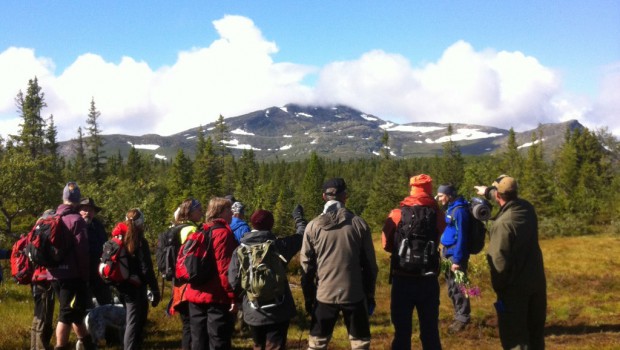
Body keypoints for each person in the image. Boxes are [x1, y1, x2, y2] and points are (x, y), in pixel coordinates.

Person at [300, 178, 378, 350]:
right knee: (360, 344)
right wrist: (369, 295)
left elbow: (306, 266)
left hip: (324, 294)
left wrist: (309, 296)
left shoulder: (313, 227)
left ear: (323, 196)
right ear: (345, 196)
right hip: (355, 293)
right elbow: (370, 266)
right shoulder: (359, 224)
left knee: (317, 344)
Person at [475, 175, 547, 350]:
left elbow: (498, 261)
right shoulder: (527, 209)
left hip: (514, 290)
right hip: (537, 284)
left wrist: (500, 289)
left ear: (499, 196)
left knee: (516, 338)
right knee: (536, 335)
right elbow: (504, 198)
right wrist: (487, 192)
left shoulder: (502, 225)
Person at [228, 206, 307, 350]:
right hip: (279, 308)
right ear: (271, 225)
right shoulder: (279, 245)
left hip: (253, 309)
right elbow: (302, 235)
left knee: (258, 345)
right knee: (275, 346)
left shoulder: (240, 250)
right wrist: (298, 218)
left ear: (252, 224)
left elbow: (233, 282)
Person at [381, 174, 446, 350]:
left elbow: (386, 244)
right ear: (430, 189)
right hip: (428, 279)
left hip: (402, 278)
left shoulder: (397, 214)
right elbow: (440, 238)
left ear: (412, 188)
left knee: (401, 332)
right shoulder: (438, 215)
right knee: (430, 331)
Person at [185, 197, 239, 350]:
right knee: (218, 341)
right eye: (229, 210)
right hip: (216, 297)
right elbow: (225, 269)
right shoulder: (222, 234)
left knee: (198, 341)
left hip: (195, 293)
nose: (232, 214)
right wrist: (233, 297)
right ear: (220, 212)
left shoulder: (201, 230)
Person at [47, 182, 95, 350]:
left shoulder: (51, 218)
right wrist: (85, 277)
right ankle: (60, 346)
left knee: (75, 313)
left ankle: (88, 344)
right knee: (66, 315)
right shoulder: (77, 220)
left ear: (64, 198)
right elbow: (82, 252)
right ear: (77, 201)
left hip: (53, 274)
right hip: (72, 276)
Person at [110, 208, 161, 350]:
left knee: (129, 318)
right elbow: (146, 269)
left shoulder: (118, 237)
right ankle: (130, 346)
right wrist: (155, 289)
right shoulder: (139, 241)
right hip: (135, 286)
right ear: (140, 223)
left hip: (120, 284)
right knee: (133, 320)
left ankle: (129, 344)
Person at [169, 198, 204, 350]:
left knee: (187, 324)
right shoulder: (190, 230)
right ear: (190, 212)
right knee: (191, 325)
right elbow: (190, 259)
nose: (201, 212)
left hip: (178, 282)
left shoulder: (177, 227)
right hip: (187, 284)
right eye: (198, 209)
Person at [437, 184, 472, 333]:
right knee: (452, 286)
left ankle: (462, 318)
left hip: (455, 255)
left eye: (440, 196)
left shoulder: (460, 212)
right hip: (447, 253)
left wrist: (457, 260)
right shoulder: (451, 208)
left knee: (459, 286)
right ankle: (458, 314)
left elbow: (462, 238)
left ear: (449, 195)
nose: (439, 199)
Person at [79, 197, 113, 307]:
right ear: (79, 211)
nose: (87, 212)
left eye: (90, 210)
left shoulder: (98, 226)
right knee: (84, 304)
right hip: (81, 273)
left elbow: (106, 246)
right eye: (84, 209)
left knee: (106, 301)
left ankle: (109, 323)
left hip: (99, 271)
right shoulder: (75, 225)